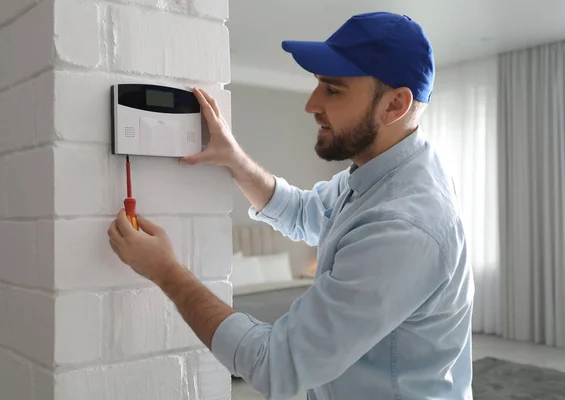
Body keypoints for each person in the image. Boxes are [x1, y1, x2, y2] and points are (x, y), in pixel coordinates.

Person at [107, 11, 474, 400]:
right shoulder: (378, 174)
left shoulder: (406, 225)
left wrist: (167, 272)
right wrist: (235, 160)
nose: (311, 104)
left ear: (394, 105)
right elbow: (306, 213)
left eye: (332, 90)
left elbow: (276, 364)